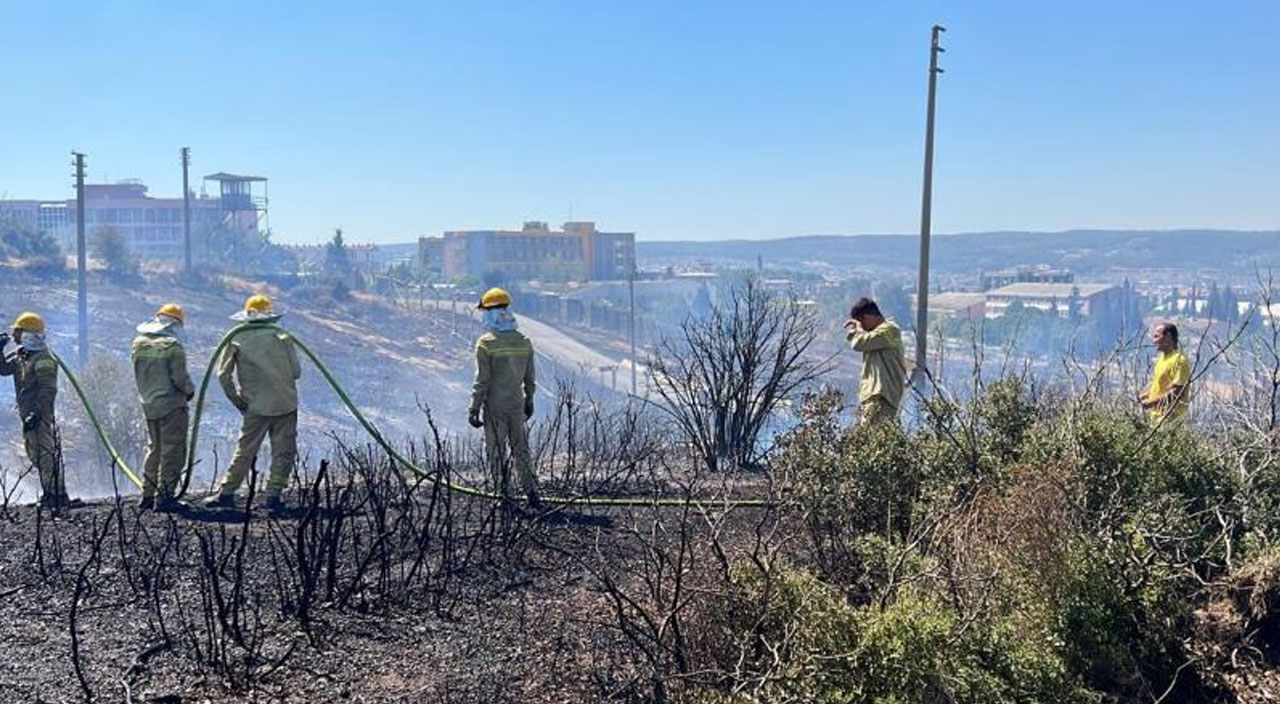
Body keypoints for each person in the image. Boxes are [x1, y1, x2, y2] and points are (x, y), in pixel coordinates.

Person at [203, 295, 301, 513]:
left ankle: (227, 493)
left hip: (255, 406)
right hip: (285, 403)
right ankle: (273, 496)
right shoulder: (283, 336)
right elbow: (296, 372)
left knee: (245, 450)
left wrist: (238, 401)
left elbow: (223, 375)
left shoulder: (236, 338)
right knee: (283, 451)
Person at [468, 287, 541, 507]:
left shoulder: (486, 343)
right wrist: (529, 401)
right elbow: (530, 379)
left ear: (490, 312)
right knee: (521, 450)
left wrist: (474, 408)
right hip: (517, 405)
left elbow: (483, 380)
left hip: (495, 408)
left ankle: (504, 495)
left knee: (496, 451)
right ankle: (532, 492)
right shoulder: (524, 341)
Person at [0, 312, 79, 510]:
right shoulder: (22, 356)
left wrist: (38, 413)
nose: (15, 336)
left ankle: (57, 496)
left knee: (46, 455)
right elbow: (3, 370)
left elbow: (48, 390)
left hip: (40, 416)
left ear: (28, 334)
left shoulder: (44, 359)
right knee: (35, 454)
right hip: (27, 416)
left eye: (18, 332)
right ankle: (49, 494)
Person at [131, 303, 195, 511]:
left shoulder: (138, 344)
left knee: (154, 450)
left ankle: (147, 495)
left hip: (148, 405)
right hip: (172, 406)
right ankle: (166, 498)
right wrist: (189, 390)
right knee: (172, 452)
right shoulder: (172, 347)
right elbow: (179, 378)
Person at [844, 297, 908, 426]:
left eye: (862, 320)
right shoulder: (876, 336)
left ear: (869, 316)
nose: (862, 325)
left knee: (871, 436)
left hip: (882, 396)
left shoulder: (889, 330)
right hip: (873, 396)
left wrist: (859, 330)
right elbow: (859, 341)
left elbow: (859, 343)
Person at [1139, 322, 1191, 425]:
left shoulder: (1179, 360)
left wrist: (1150, 403)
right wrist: (1146, 395)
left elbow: (1177, 393)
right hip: (1156, 415)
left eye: (1157, 336)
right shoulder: (1162, 359)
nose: (1154, 341)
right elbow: (1161, 386)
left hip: (1170, 417)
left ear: (1168, 337)